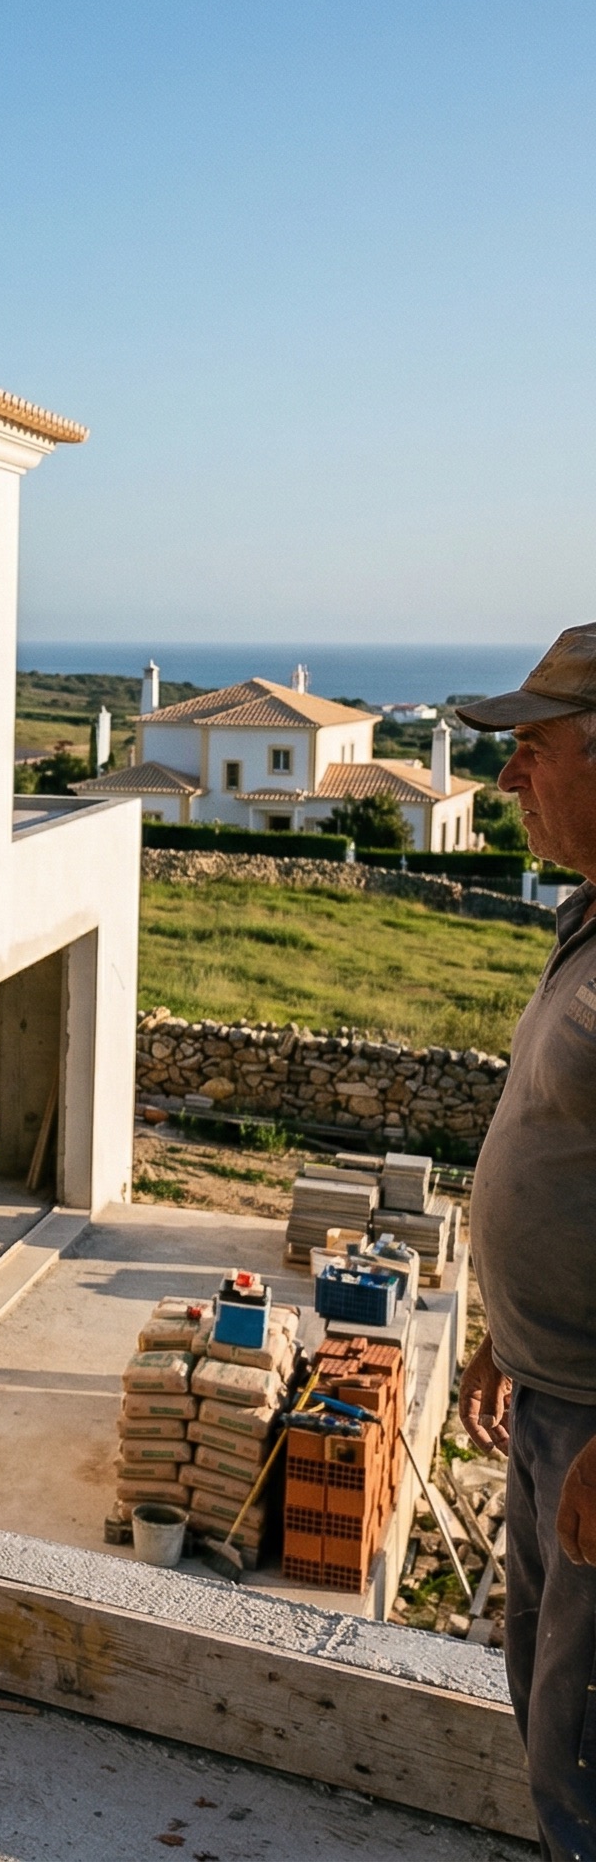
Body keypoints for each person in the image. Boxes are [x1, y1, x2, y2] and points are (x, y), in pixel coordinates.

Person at [454, 622, 596, 1861]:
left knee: (589, 1751)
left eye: (530, 750)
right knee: (546, 1715)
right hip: (551, 1401)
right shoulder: (586, 913)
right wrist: (508, 1335)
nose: (505, 779)